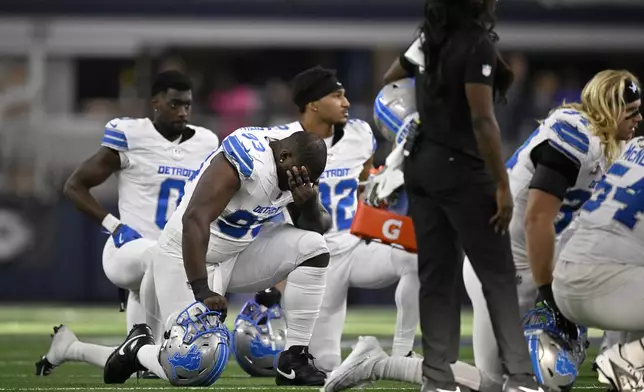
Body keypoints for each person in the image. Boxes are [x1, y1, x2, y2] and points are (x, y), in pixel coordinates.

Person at [101, 127, 333, 387]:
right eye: (299, 178)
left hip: (239, 251)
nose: (301, 184)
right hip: (186, 254)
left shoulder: (297, 168)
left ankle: (294, 359)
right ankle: (138, 349)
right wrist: (202, 288)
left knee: (314, 246)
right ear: (284, 156)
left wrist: (309, 202)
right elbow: (195, 218)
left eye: (308, 181)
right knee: (190, 365)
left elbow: (316, 225)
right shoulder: (248, 159)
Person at [382, 0, 535, 391]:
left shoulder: (431, 39)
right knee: (499, 277)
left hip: (422, 167)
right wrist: (502, 183)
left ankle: (437, 380)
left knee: (437, 278)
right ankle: (520, 379)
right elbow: (482, 119)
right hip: (462, 167)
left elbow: (389, 78)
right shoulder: (475, 43)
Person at [35, 70, 219, 376]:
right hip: (128, 250)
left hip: (173, 260)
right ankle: (139, 335)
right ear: (155, 103)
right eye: (174, 104)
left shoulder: (206, 141)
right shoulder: (131, 134)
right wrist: (114, 225)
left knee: (151, 362)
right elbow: (74, 185)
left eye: (187, 105)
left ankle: (70, 347)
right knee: (156, 255)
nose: (182, 112)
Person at [463, 70, 641, 386]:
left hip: (542, 256)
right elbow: (537, 218)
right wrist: (549, 295)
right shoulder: (575, 134)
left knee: (549, 377)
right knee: (489, 381)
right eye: (631, 112)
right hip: (501, 263)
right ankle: (379, 365)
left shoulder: (609, 145)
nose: (638, 119)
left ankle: (622, 365)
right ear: (610, 108)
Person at [253, 66, 420, 373]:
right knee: (326, 364)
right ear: (313, 103)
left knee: (417, 258)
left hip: (357, 244)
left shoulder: (360, 133)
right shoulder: (280, 142)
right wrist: (278, 277)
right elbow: (266, 209)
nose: (346, 102)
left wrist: (379, 188)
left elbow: (365, 181)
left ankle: (402, 352)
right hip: (312, 259)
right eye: (337, 95)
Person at [551, 85, 644, 392]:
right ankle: (627, 358)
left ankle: (628, 370)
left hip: (565, 274)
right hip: (602, 284)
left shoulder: (633, 148)